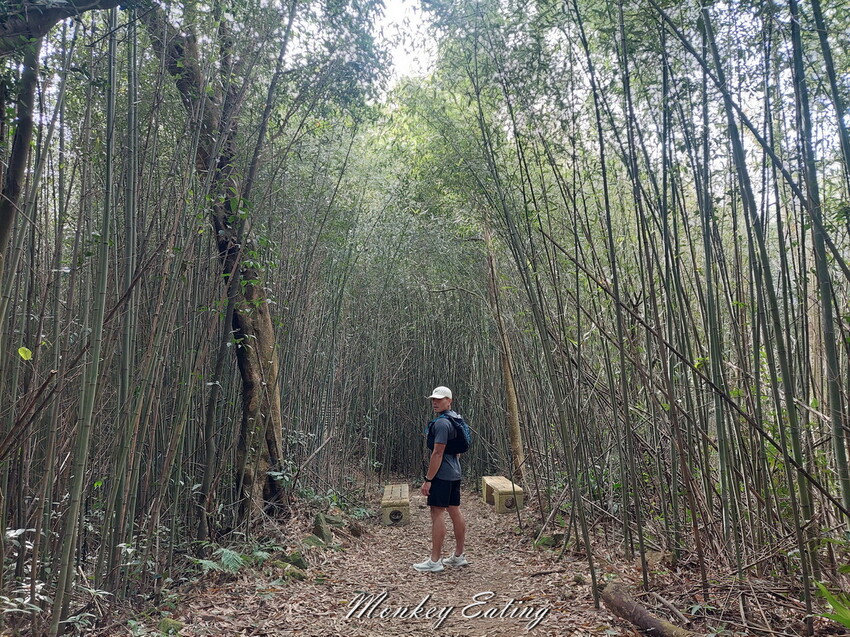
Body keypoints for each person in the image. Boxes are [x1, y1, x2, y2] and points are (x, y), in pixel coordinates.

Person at [413, 386, 468, 573]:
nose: (435, 402)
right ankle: (459, 556)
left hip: (442, 475)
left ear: (449, 400)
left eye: (440, 399)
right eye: (433, 399)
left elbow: (437, 453)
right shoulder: (456, 418)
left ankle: (435, 561)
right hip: (455, 473)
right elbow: (458, 450)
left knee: (437, 513)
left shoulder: (442, 424)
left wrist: (429, 479)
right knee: (455, 511)